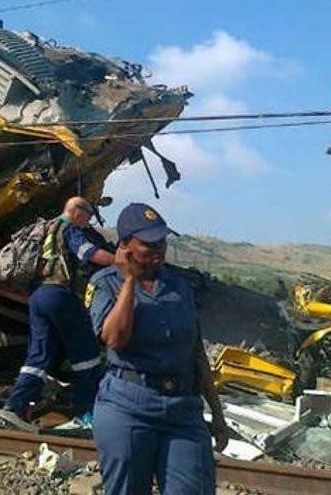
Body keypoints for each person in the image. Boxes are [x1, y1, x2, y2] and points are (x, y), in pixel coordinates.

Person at [89, 203, 229, 495]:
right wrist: (130, 280)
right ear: (125, 246)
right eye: (149, 244)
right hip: (128, 407)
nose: (158, 251)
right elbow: (114, 339)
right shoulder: (106, 284)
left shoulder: (179, 285)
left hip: (182, 410)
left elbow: (196, 352)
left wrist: (217, 414)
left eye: (162, 243)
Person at [0, 196, 115, 431]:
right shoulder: (69, 228)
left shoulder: (43, 228)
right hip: (59, 294)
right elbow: (88, 253)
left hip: (37, 296)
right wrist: (120, 262)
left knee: (39, 356)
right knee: (86, 353)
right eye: (87, 217)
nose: (88, 223)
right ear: (76, 212)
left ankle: (15, 407)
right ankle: (87, 413)